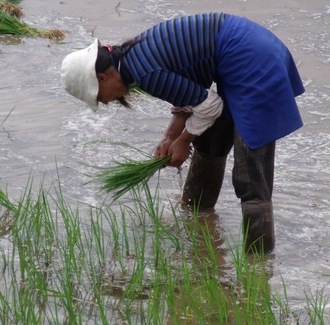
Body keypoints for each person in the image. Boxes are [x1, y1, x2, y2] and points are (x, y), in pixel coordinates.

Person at [61, 13, 305, 253]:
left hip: (254, 61)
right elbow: (190, 94)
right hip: (242, 53)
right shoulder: (134, 59)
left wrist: (184, 141)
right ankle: (197, 221)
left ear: (102, 78)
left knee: (250, 172)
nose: (104, 103)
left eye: (98, 98)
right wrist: (170, 138)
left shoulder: (145, 73)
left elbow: (209, 106)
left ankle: (258, 263)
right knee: (210, 141)